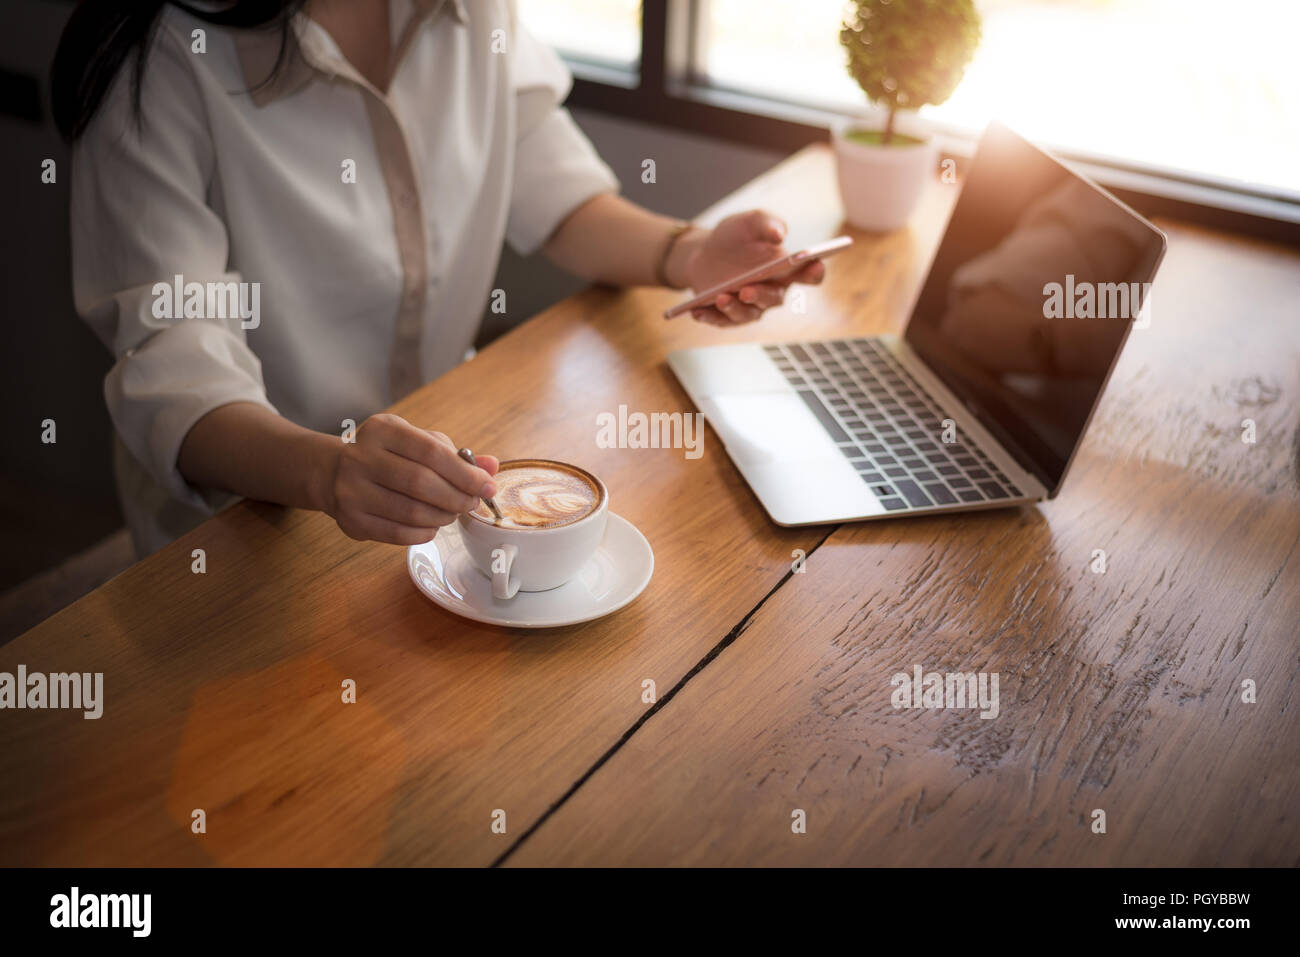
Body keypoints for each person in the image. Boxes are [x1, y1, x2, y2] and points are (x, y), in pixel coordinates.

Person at [53, 0, 824, 555]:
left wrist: (692, 255)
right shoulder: (155, 65)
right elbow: (180, 382)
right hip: (247, 535)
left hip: (437, 499)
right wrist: (331, 473)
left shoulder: (473, 12)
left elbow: (552, 188)